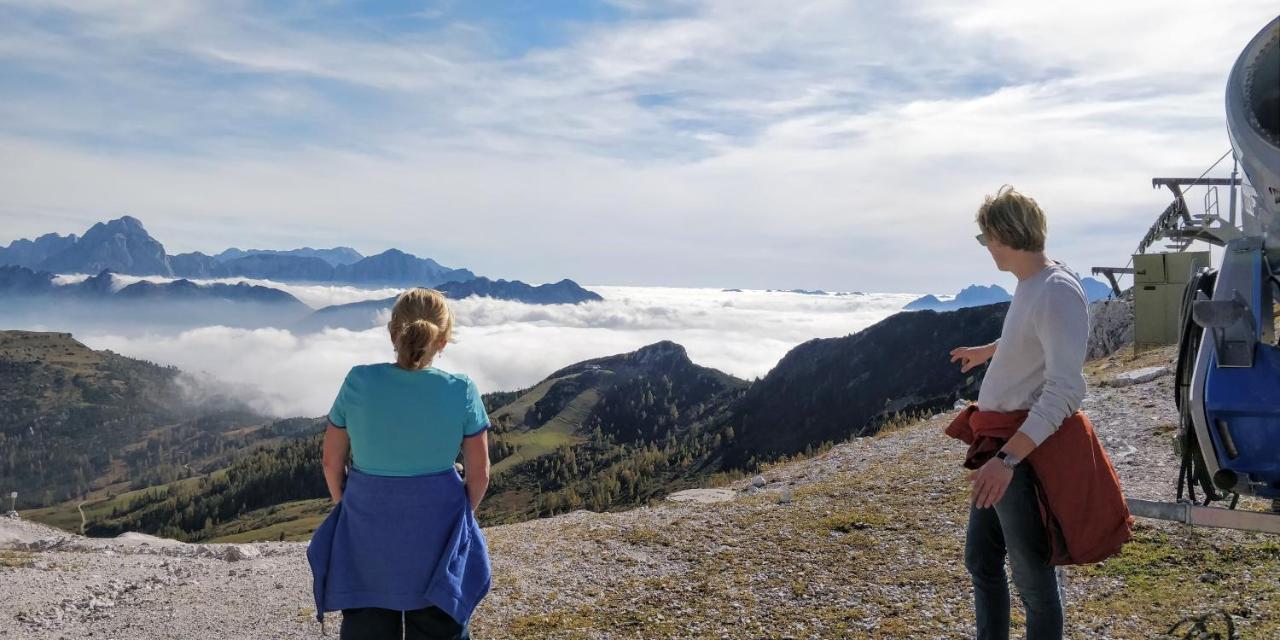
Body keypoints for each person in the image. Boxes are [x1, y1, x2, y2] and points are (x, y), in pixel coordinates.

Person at [948, 186, 1130, 640]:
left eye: (985, 237)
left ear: (1005, 235)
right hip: (997, 442)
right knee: (982, 559)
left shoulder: (1055, 291)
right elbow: (1031, 339)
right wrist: (991, 350)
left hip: (1017, 452)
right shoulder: (1034, 282)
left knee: (1032, 582)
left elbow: (1067, 389)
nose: (985, 247)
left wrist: (1008, 461)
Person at [307, 288, 492, 640]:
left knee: (367, 626)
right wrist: (459, 517)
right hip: (438, 535)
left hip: (367, 534)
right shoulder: (461, 389)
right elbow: (480, 474)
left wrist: (347, 506)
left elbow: (331, 462)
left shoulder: (358, 380)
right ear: (444, 340)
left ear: (393, 333)